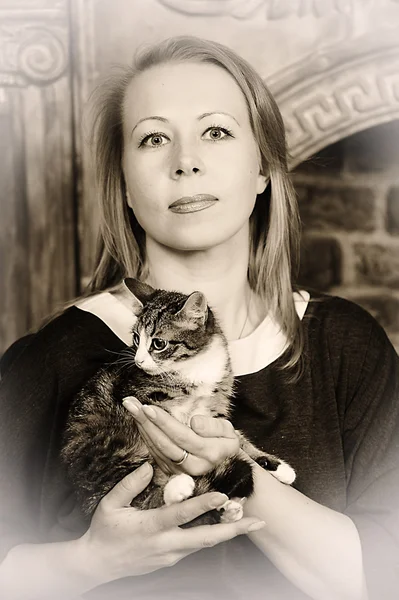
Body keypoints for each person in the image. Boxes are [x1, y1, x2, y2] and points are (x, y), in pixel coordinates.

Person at [0, 35, 398, 600]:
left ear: (263, 170)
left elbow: (384, 579)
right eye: (153, 138)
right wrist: (89, 562)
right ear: (126, 189)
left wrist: (234, 470)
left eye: (216, 131)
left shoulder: (349, 346)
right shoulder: (51, 358)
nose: (185, 162)